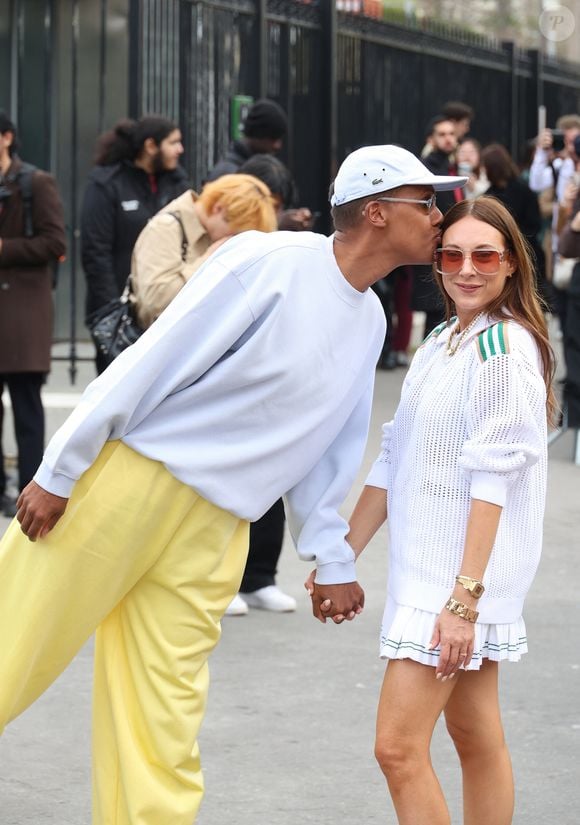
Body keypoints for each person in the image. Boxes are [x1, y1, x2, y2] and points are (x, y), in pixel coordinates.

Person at [0, 144, 466, 825]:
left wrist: (332, 557)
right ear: (376, 211)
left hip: (219, 529)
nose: (440, 217)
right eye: (428, 202)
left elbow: (324, 445)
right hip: (130, 483)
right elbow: (154, 359)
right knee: (13, 640)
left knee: (164, 713)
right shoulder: (271, 262)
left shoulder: (368, 320)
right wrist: (61, 467)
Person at [311, 196, 555, 824]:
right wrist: (342, 553)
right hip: (430, 572)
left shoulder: (503, 348)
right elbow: (396, 458)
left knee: (397, 749)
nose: (467, 268)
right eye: (453, 254)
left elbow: (493, 480)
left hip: (456, 581)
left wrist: (463, 599)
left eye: (485, 255)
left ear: (510, 265)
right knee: (474, 739)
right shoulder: (445, 338)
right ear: (439, 263)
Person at [81, 115, 189, 372]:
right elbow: (96, 252)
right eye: (173, 142)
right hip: (121, 313)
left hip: (166, 312)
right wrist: (112, 312)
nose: (180, 149)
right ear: (151, 146)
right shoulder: (106, 184)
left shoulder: (178, 184)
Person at [0, 113, 66, 518]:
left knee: (26, 405)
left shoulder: (36, 182)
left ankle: (30, 487)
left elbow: (54, 241)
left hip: (23, 311)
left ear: (7, 137)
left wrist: (4, 249)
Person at [131, 173, 278, 329]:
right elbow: (155, 303)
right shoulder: (165, 228)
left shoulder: (209, 231)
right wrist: (207, 260)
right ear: (218, 209)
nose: (234, 240)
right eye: (235, 234)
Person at [207, 99, 313, 231]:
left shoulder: (245, 167)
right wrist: (277, 222)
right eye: (273, 138)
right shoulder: (228, 175)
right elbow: (233, 224)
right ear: (258, 134)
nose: (277, 145)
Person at [413, 116, 465, 337]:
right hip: (436, 246)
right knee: (437, 313)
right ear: (431, 139)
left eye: (452, 134)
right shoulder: (427, 169)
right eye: (442, 135)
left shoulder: (451, 166)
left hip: (453, 245)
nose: (448, 139)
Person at [481, 143, 549, 305]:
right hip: (522, 254)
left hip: (523, 255)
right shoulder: (520, 190)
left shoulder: (492, 196)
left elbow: (534, 225)